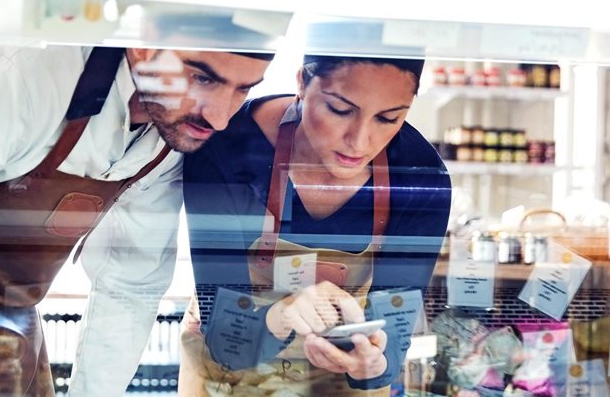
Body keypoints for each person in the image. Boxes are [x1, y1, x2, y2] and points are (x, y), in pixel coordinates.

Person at [0, 37, 273, 396]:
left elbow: (129, 288)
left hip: (6, 309)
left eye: (243, 89)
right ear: (142, 46)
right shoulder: (11, 71)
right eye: (201, 77)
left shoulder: (171, 132)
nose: (220, 117)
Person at [181, 54, 452, 395]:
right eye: (340, 109)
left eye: (388, 118)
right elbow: (224, 336)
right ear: (302, 84)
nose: (359, 140)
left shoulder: (420, 178)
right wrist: (284, 315)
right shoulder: (229, 149)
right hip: (229, 371)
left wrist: (372, 364)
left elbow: (393, 335)